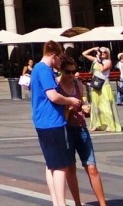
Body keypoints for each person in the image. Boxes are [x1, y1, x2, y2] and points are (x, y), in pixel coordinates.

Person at [30, 40, 82, 206]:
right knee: (61, 166)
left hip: (41, 121)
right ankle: (61, 203)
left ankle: (56, 201)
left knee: (51, 164)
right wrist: (70, 100)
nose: (60, 63)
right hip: (53, 121)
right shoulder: (44, 70)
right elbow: (53, 96)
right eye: (59, 58)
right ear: (53, 55)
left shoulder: (36, 69)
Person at [57, 55, 108, 206]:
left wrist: (86, 108)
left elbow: (84, 102)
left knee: (91, 167)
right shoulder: (56, 87)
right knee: (70, 168)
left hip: (81, 128)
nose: (72, 75)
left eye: (74, 71)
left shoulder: (78, 84)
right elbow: (54, 109)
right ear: (61, 70)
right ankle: (77, 203)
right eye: (68, 72)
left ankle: (103, 203)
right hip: (65, 128)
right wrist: (68, 107)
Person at [81, 47, 121, 132]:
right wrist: (93, 49)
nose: (102, 53)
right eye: (101, 52)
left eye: (104, 52)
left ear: (107, 54)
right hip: (96, 84)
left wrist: (98, 60)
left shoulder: (108, 62)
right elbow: (84, 53)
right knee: (95, 105)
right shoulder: (96, 59)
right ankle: (96, 124)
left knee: (105, 105)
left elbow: (102, 69)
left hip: (103, 85)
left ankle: (109, 124)